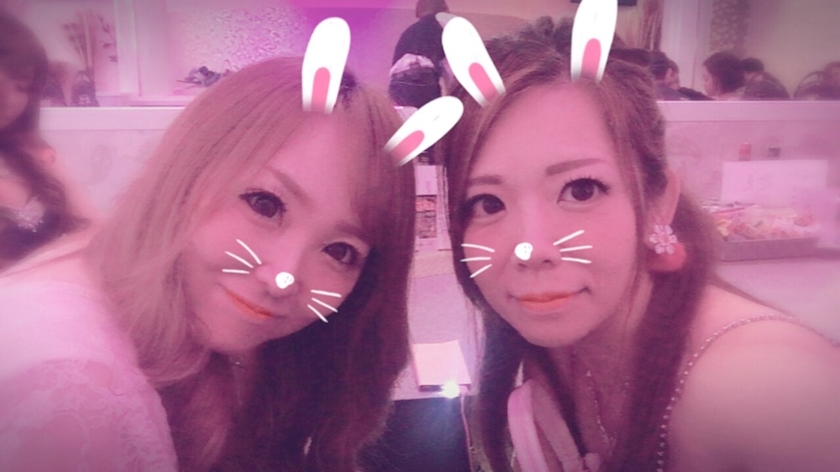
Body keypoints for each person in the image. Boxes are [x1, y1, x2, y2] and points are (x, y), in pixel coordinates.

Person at [441, 17, 840, 472]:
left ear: (658, 203)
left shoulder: (766, 389)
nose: (531, 249)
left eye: (581, 190)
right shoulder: (558, 346)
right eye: (487, 202)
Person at [0, 57, 416, 471]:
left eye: (340, 251)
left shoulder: (234, 337)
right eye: (265, 204)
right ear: (189, 169)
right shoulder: (70, 395)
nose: (283, 277)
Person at [0, 10, 90, 271]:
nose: (14, 101)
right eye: (7, 83)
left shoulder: (32, 156)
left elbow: (92, 228)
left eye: (24, 87)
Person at [388, 0, 449, 108]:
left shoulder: (408, 32)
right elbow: (449, 68)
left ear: (418, 12)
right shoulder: (442, 30)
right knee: (429, 114)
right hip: (425, 80)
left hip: (398, 83)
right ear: (443, 11)